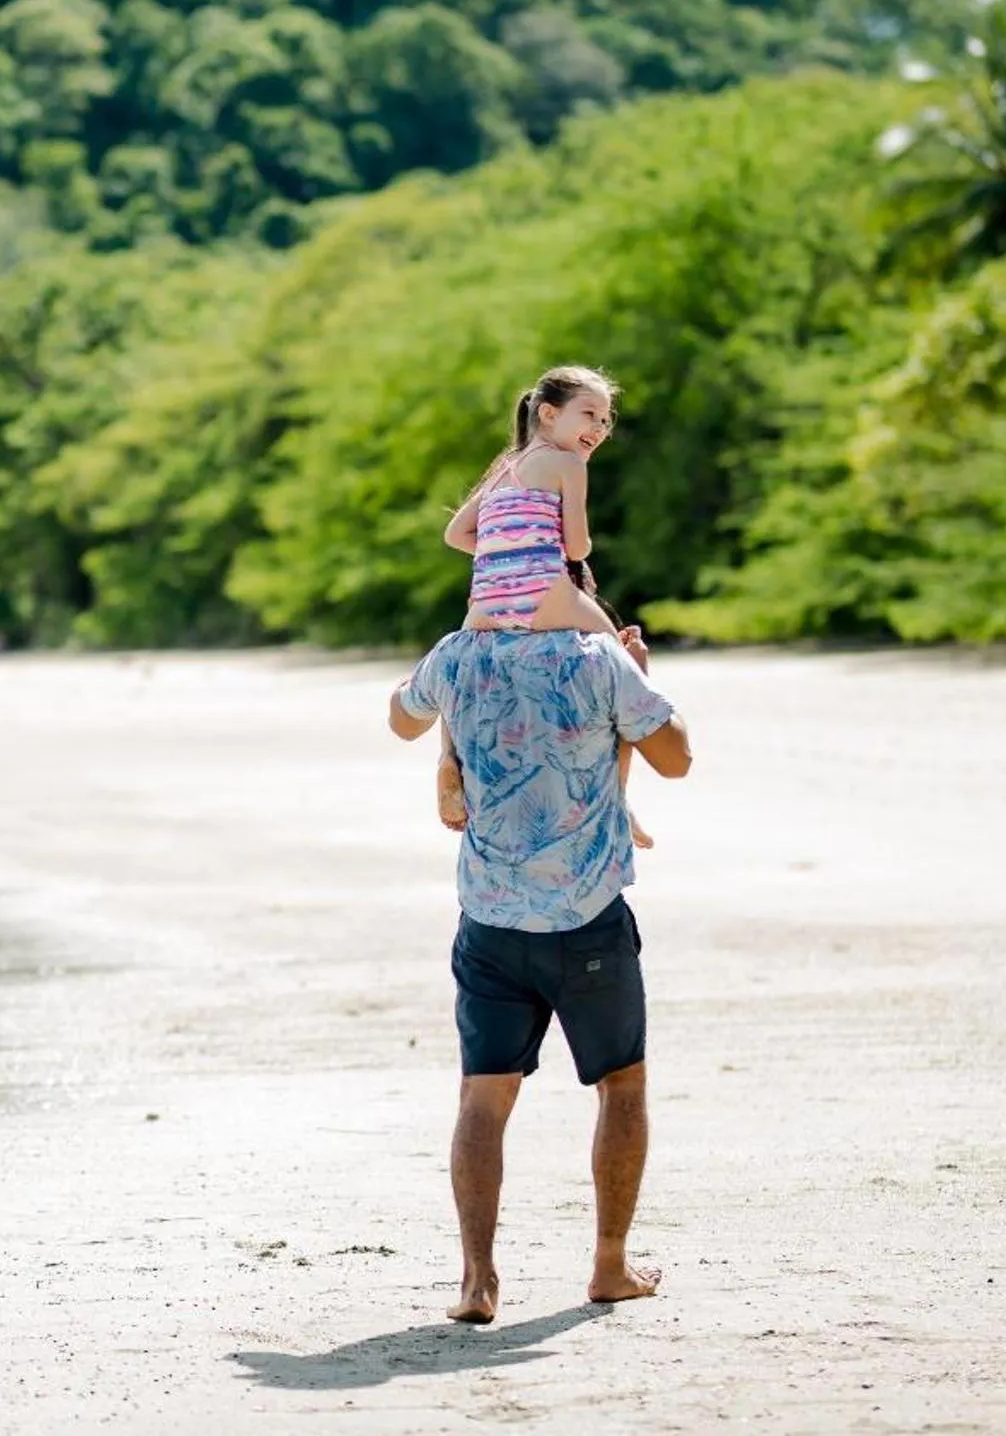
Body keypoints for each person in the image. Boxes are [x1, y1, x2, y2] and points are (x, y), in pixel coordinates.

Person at [388, 614, 694, 1325]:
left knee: (482, 1100)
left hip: (492, 922)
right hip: (585, 920)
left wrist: (436, 685)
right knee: (621, 1086)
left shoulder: (459, 655)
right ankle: (610, 1265)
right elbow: (675, 758)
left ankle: (477, 1281)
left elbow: (400, 719)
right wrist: (634, 677)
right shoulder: (596, 660)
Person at [433, 366, 654, 850]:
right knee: (627, 666)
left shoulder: (504, 468)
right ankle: (618, 798)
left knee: (458, 672)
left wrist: (506, 550)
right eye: (589, 414)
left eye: (606, 419)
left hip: (487, 599)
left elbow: (456, 535)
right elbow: (576, 549)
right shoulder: (568, 465)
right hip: (545, 593)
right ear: (549, 414)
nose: (598, 428)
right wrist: (538, 554)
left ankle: (447, 758)